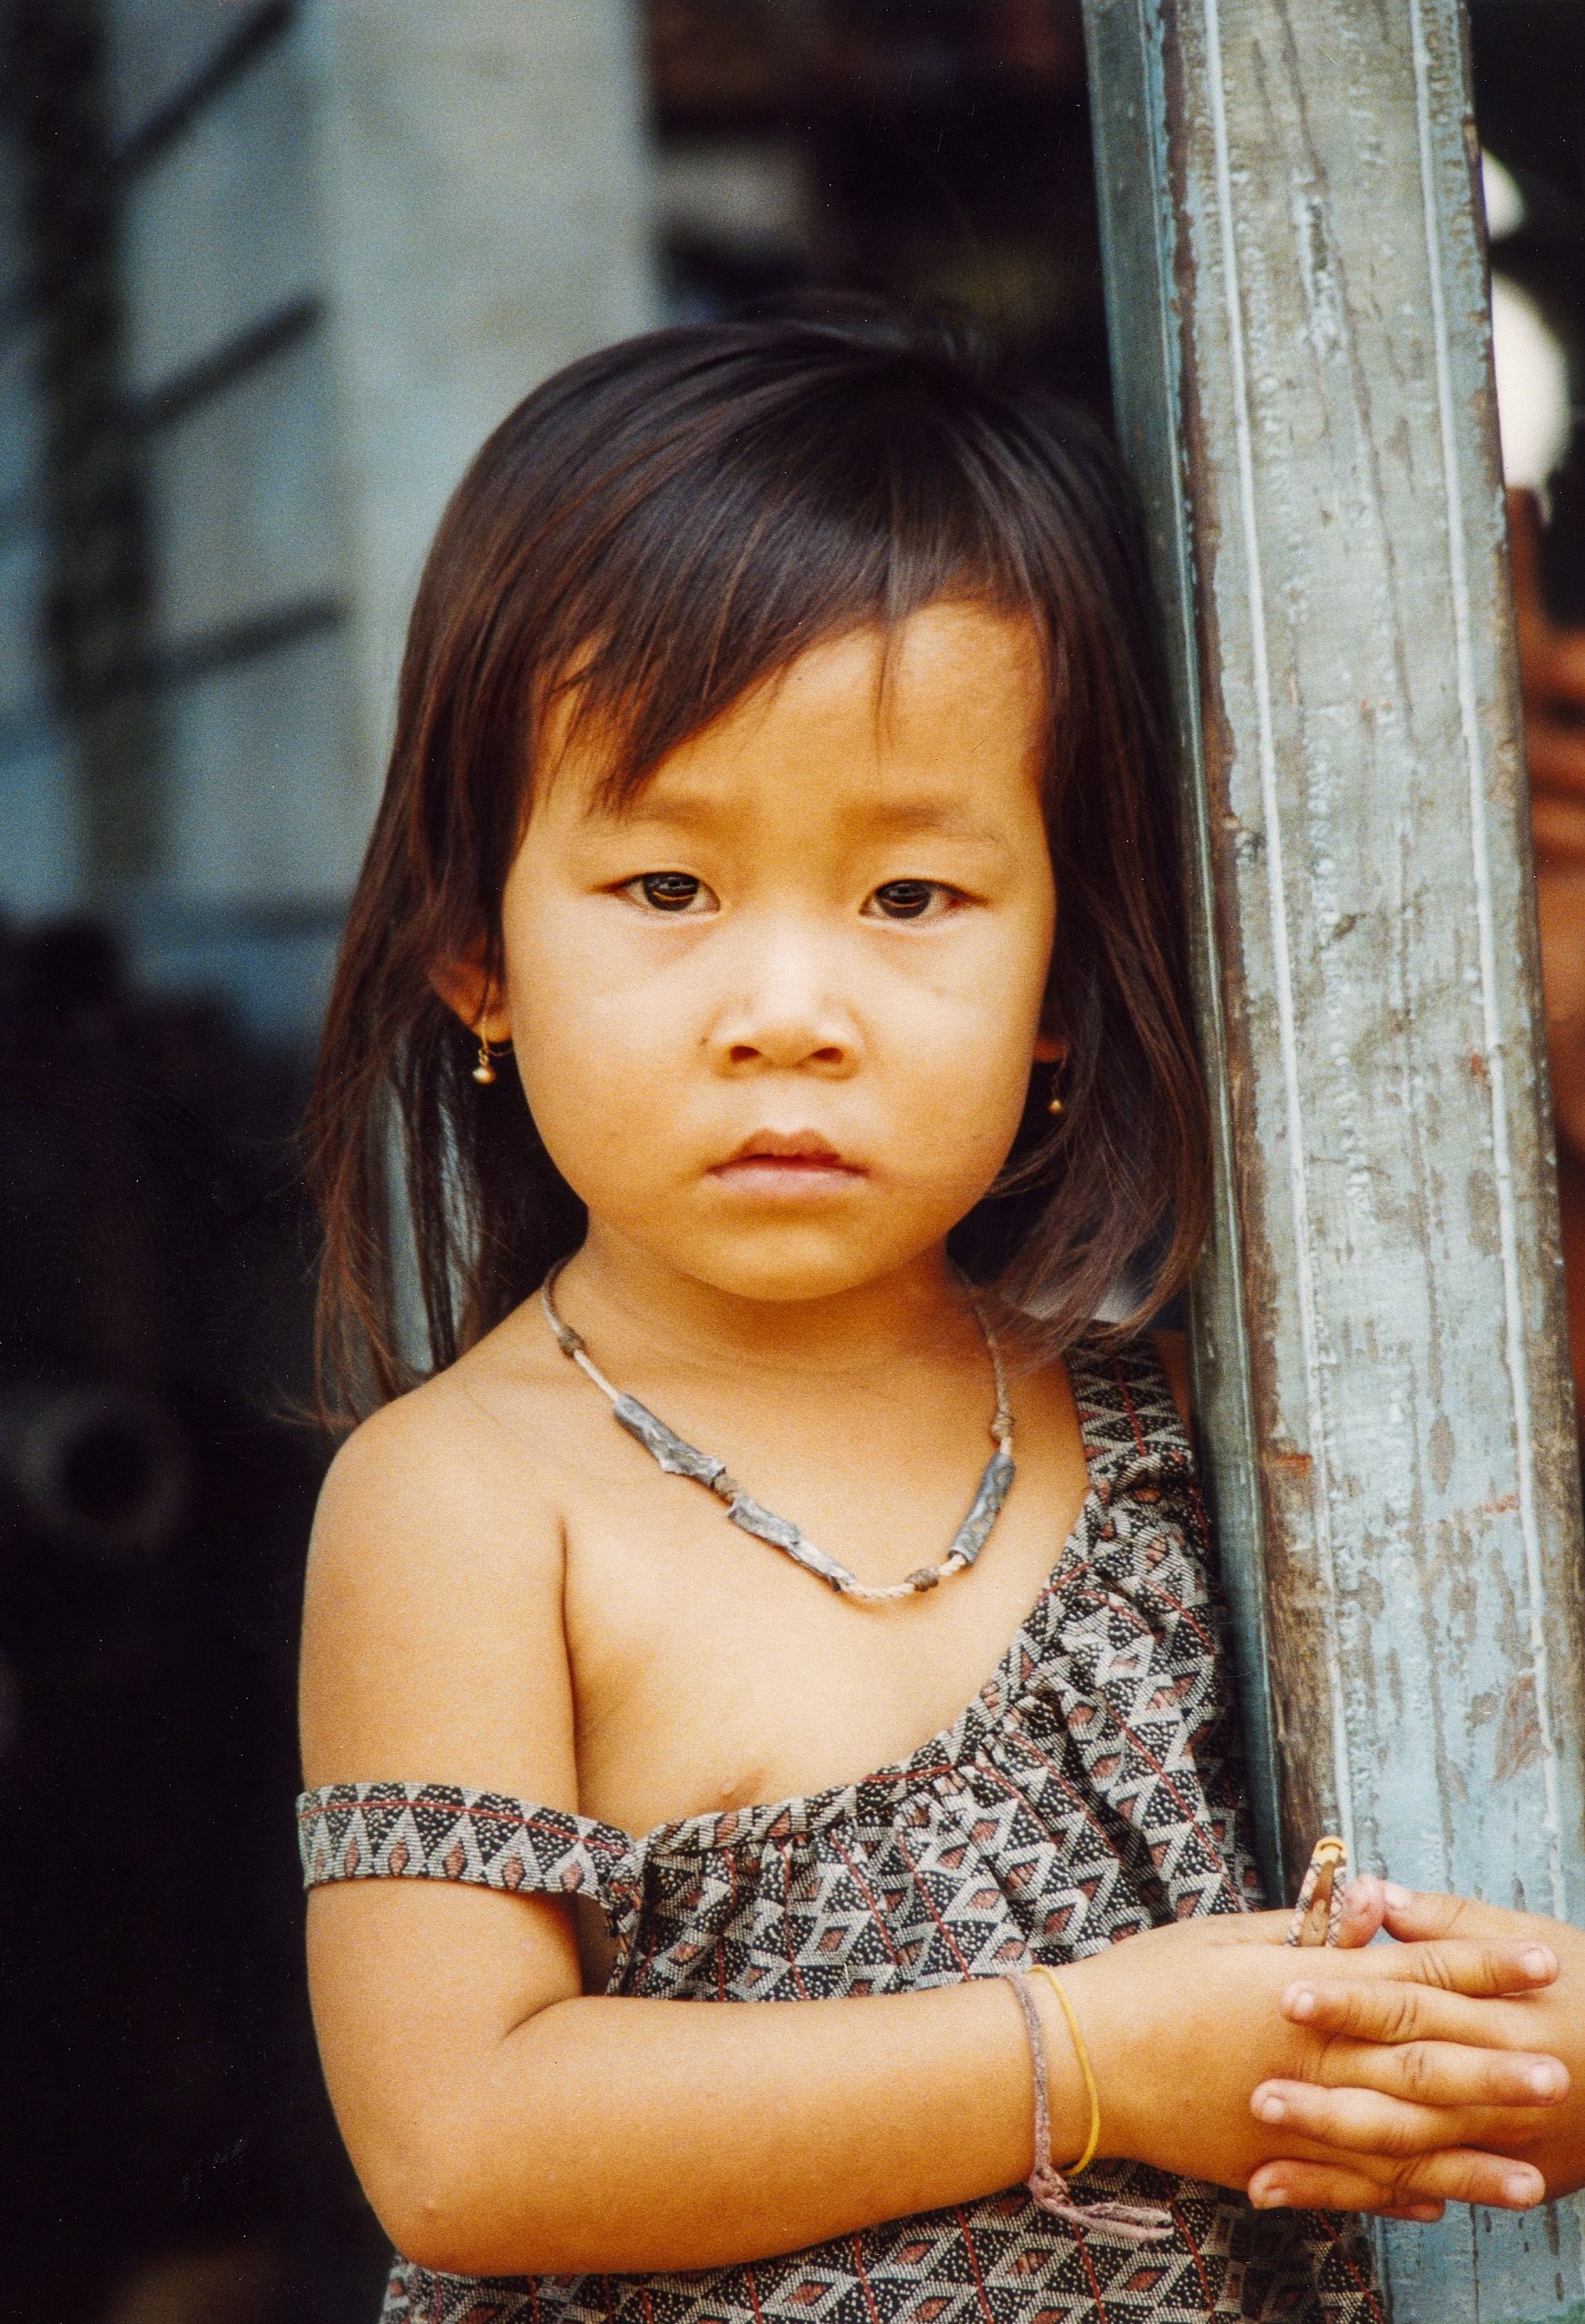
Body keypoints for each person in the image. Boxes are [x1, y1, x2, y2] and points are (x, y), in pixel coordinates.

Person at [297, 313, 1580, 2324]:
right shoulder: (465, 1498)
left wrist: (1495, 2058)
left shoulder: (1182, 1425)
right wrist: (1086, 2055)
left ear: (1062, 978)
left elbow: (1422, 1947)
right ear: (478, 949)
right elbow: (463, 2137)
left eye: (910, 898)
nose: (789, 1006)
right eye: (664, 884)